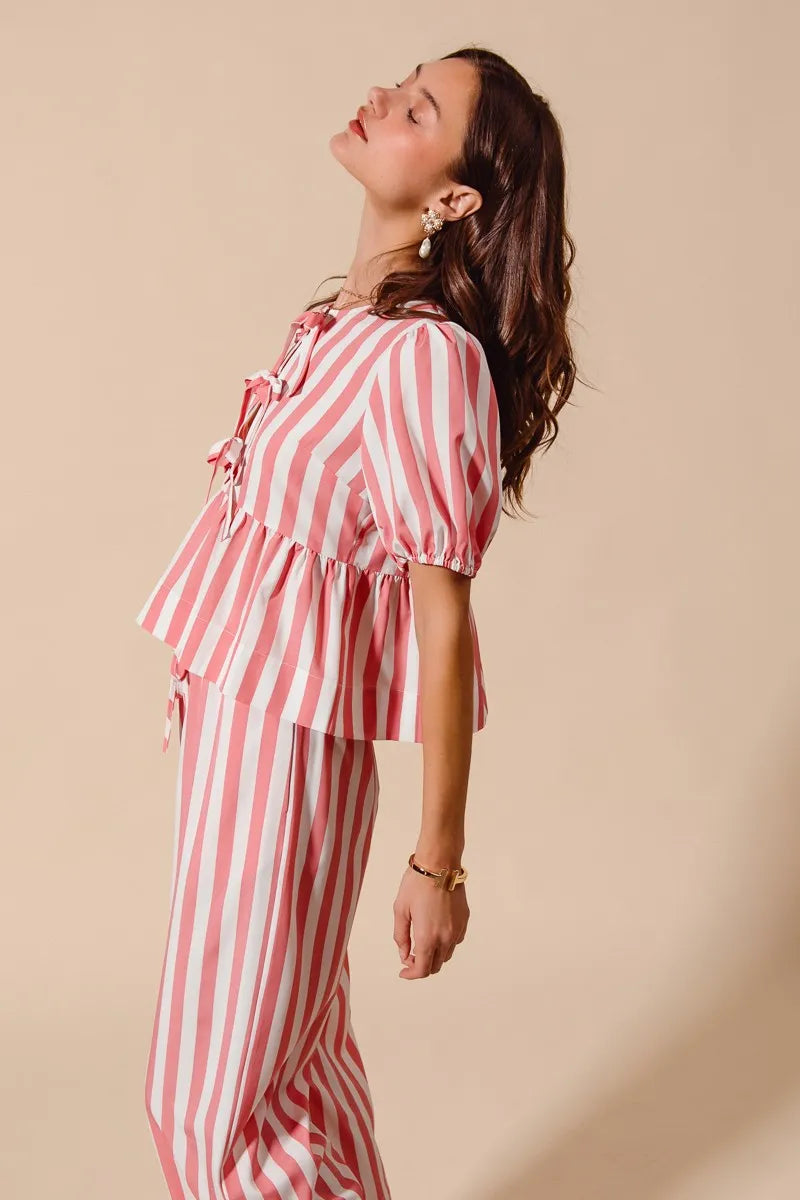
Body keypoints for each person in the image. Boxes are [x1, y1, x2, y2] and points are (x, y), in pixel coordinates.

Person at [135, 45, 576, 1200]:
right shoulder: (339, 325)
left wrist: (437, 862)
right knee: (293, 1076)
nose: (383, 99)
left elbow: (442, 626)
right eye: (402, 81)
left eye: (419, 109)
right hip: (242, 730)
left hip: (281, 756)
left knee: (208, 1105)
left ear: (452, 199)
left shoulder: (425, 361)